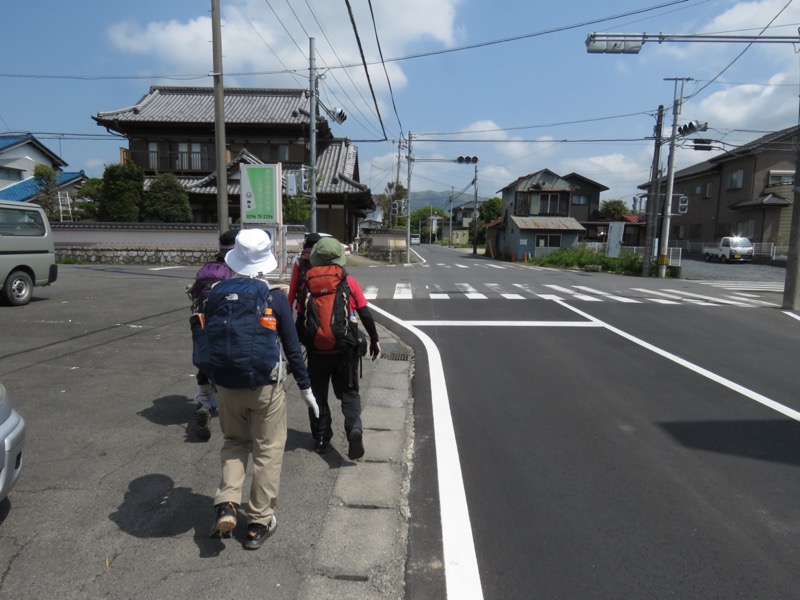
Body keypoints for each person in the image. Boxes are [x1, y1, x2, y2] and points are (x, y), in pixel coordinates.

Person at [210, 228, 319, 550]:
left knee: (234, 442)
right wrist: (306, 389)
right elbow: (292, 347)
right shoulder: (274, 297)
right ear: (265, 260)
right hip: (265, 387)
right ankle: (258, 522)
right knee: (268, 450)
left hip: (226, 385)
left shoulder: (216, 293)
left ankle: (227, 503)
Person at [301, 236, 381, 459]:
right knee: (349, 393)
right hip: (345, 349)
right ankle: (353, 427)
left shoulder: (307, 282)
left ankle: (321, 438)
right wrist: (374, 339)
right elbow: (365, 313)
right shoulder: (348, 281)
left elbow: (300, 316)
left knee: (317, 395)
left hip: (316, 351)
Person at [188, 230, 237, 441]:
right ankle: (233, 410)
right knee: (229, 362)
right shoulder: (235, 268)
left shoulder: (207, 268)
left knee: (205, 360)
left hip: (201, 321)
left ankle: (204, 404)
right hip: (226, 324)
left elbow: (194, 293)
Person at [287, 232, 321, 311]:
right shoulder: (323, 260)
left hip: (302, 303)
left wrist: (289, 305)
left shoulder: (299, 260)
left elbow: (293, 286)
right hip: (320, 304)